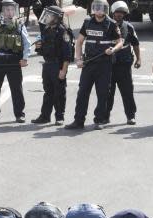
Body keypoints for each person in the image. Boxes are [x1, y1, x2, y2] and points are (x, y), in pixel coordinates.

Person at [65, 0, 123, 131]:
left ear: (106, 9)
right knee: (82, 93)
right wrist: (78, 59)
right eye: (96, 7)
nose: (98, 10)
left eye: (101, 8)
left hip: (104, 64)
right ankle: (78, 120)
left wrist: (113, 50)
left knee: (103, 94)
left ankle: (99, 120)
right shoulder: (87, 22)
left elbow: (120, 42)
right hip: (89, 63)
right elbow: (79, 42)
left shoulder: (112, 24)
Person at [0, 0, 30, 124]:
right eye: (7, 10)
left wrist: (25, 58)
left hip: (14, 62)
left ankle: (19, 114)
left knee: (17, 90)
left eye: (12, 9)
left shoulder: (19, 24)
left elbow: (26, 43)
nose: (10, 12)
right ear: (2, 12)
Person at [31, 5, 72, 126]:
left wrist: (63, 71)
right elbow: (44, 49)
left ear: (56, 18)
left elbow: (67, 54)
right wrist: (39, 48)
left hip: (58, 64)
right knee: (48, 91)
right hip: (47, 64)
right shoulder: (46, 29)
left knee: (59, 92)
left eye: (50, 15)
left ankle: (59, 117)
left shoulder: (63, 32)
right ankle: (45, 116)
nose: (47, 17)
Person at [107, 1, 140, 126]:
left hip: (124, 65)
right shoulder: (107, 25)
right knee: (108, 92)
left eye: (121, 13)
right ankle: (105, 116)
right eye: (117, 12)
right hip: (108, 65)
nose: (119, 15)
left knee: (127, 92)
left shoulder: (129, 27)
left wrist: (139, 59)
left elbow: (136, 44)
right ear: (113, 13)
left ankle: (130, 116)